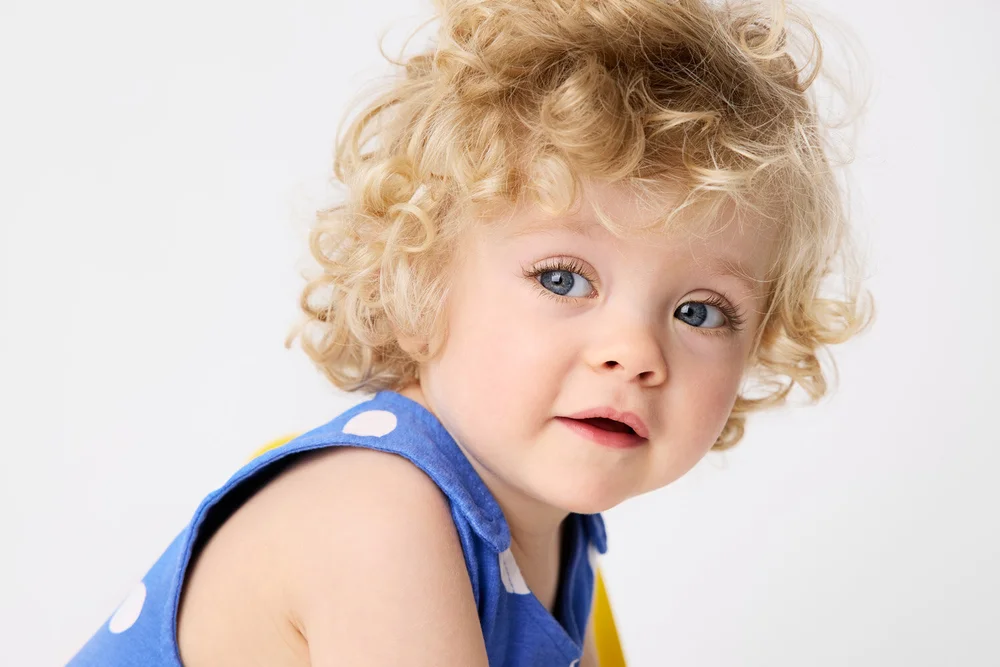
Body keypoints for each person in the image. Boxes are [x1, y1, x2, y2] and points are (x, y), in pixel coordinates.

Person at [67, 0, 874, 664]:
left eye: (699, 311)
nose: (634, 352)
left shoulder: (556, 542)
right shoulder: (376, 513)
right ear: (419, 287)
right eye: (563, 278)